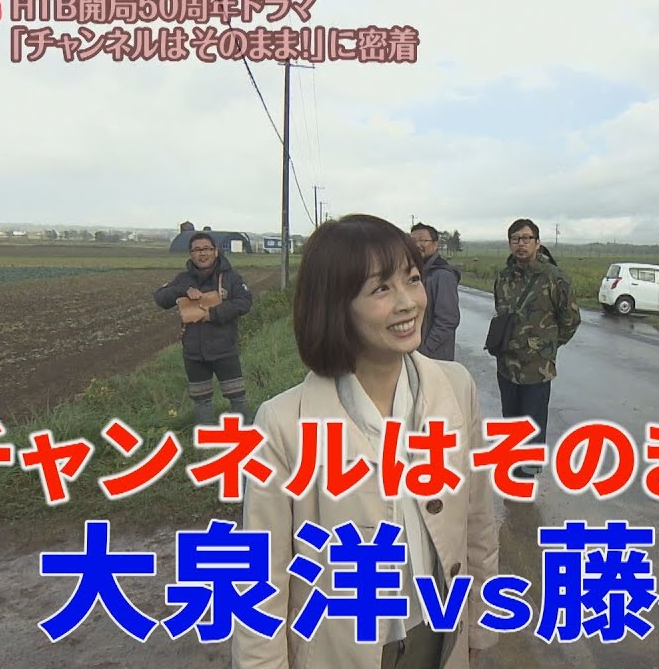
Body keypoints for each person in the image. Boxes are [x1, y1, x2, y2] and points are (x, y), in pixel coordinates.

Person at [232, 214, 499, 669]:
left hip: (437, 635)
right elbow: (262, 578)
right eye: (381, 289)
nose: (408, 303)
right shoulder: (283, 423)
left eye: (412, 279)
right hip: (337, 649)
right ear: (336, 305)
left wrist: (478, 621)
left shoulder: (455, 386)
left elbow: (476, 517)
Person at [491, 219, 581, 478]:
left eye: (526, 238)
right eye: (515, 239)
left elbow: (571, 319)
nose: (521, 244)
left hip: (537, 367)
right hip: (507, 363)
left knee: (533, 419)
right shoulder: (504, 277)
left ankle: (527, 471)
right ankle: (512, 464)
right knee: (511, 418)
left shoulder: (554, 277)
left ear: (537, 242)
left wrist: (548, 346)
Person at [153, 231, 253, 425]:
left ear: (215, 251)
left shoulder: (231, 277)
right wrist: (183, 291)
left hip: (225, 350)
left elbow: (245, 302)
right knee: (201, 401)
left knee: (237, 397)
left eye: (206, 249)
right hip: (194, 354)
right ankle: (206, 438)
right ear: (191, 254)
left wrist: (213, 314)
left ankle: (246, 434)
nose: (202, 253)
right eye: (197, 250)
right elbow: (160, 298)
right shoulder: (183, 279)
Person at [410, 222, 462, 361]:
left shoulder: (442, 275)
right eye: (412, 241)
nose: (417, 245)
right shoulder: (414, 273)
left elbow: (448, 320)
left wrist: (425, 350)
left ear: (435, 244)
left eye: (423, 240)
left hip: (434, 357)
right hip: (415, 354)